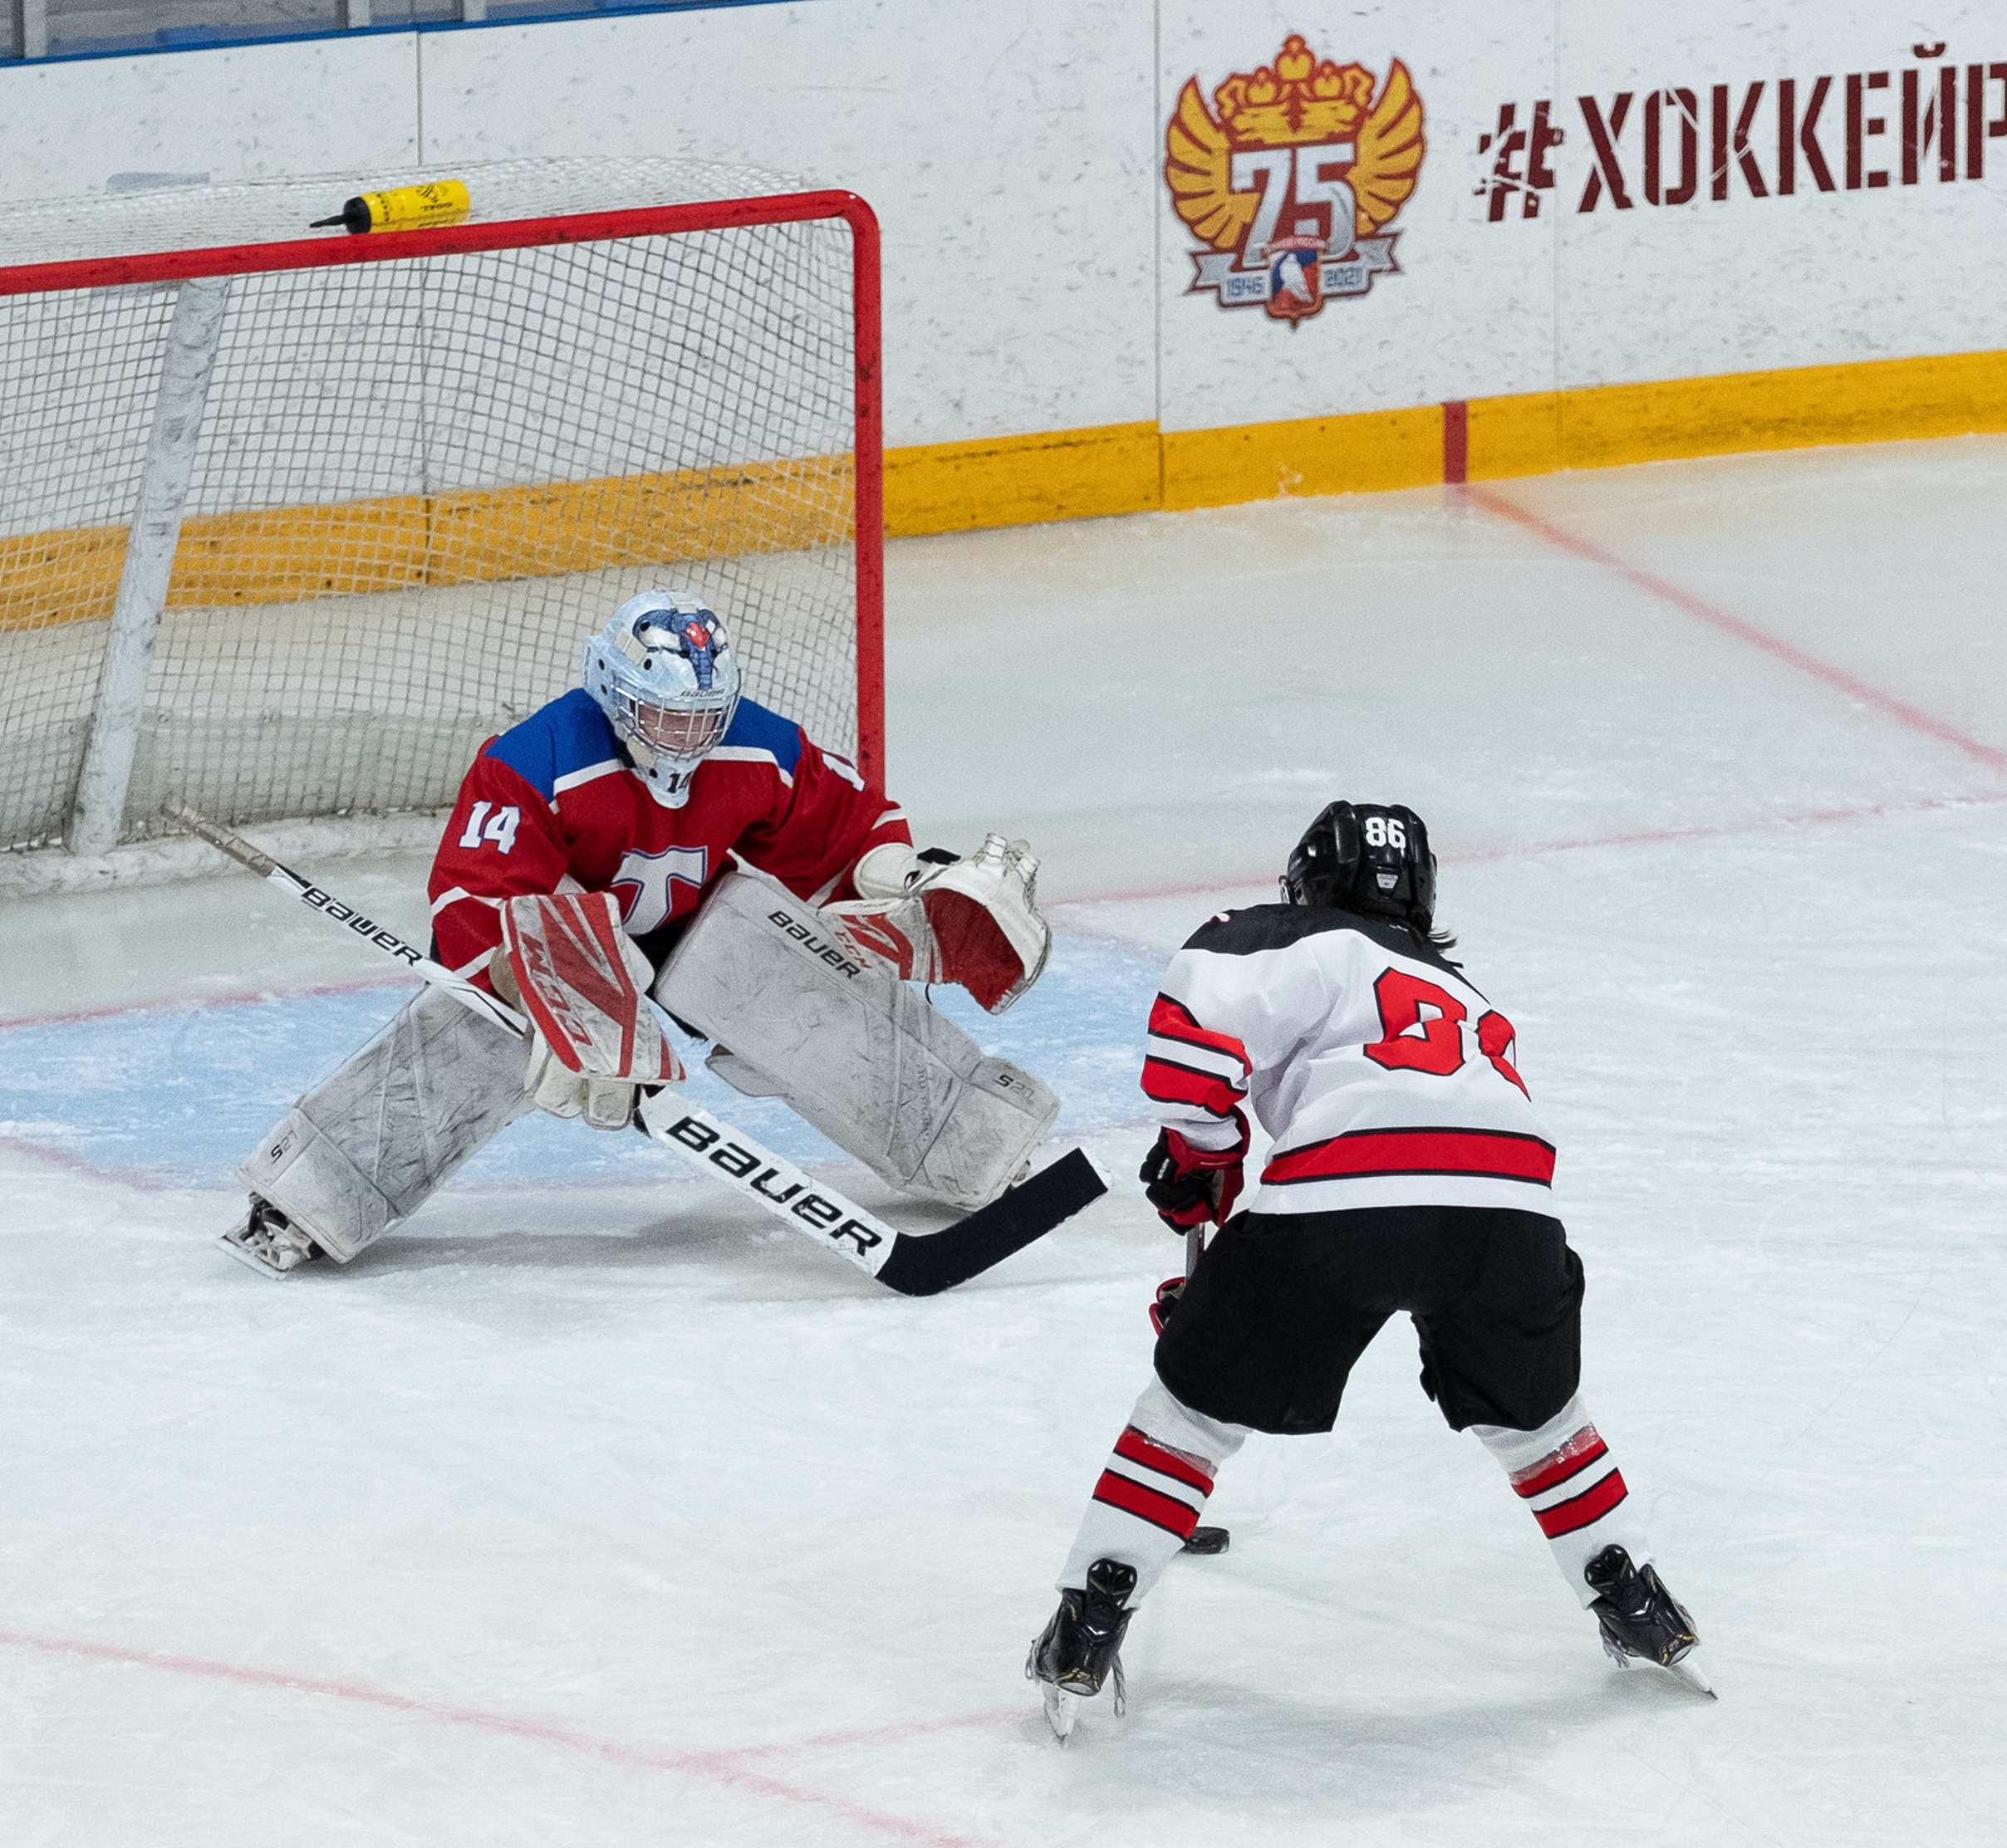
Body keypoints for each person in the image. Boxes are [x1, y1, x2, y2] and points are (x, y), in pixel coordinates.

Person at [1026, 801, 1709, 1738]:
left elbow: (1191, 1040)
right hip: (1513, 1217)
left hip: (1346, 1201)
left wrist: (1203, 1154)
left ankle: (1087, 1620)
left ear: (1307, 881)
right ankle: (1633, 1594)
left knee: (1190, 1410)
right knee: (1539, 1420)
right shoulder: (1461, 990)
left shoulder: (1285, 936)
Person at [222, 591, 1051, 1275]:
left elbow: (847, 827)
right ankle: (306, 1194)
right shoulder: (534, 759)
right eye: (663, 715)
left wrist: (904, 885)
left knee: (789, 978)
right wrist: (539, 997)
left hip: (694, 930)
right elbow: (472, 908)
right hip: (558, 945)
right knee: (481, 1032)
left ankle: (972, 1146)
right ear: (613, 691)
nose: (687, 738)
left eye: (704, 717)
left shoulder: (756, 745)